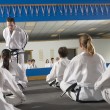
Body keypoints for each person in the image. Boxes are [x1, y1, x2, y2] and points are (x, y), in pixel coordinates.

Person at [60, 34, 106, 102]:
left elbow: (66, 79)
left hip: (82, 96)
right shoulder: (100, 57)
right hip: (100, 95)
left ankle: (75, 92)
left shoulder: (76, 59)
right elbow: (105, 75)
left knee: (62, 83)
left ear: (81, 45)